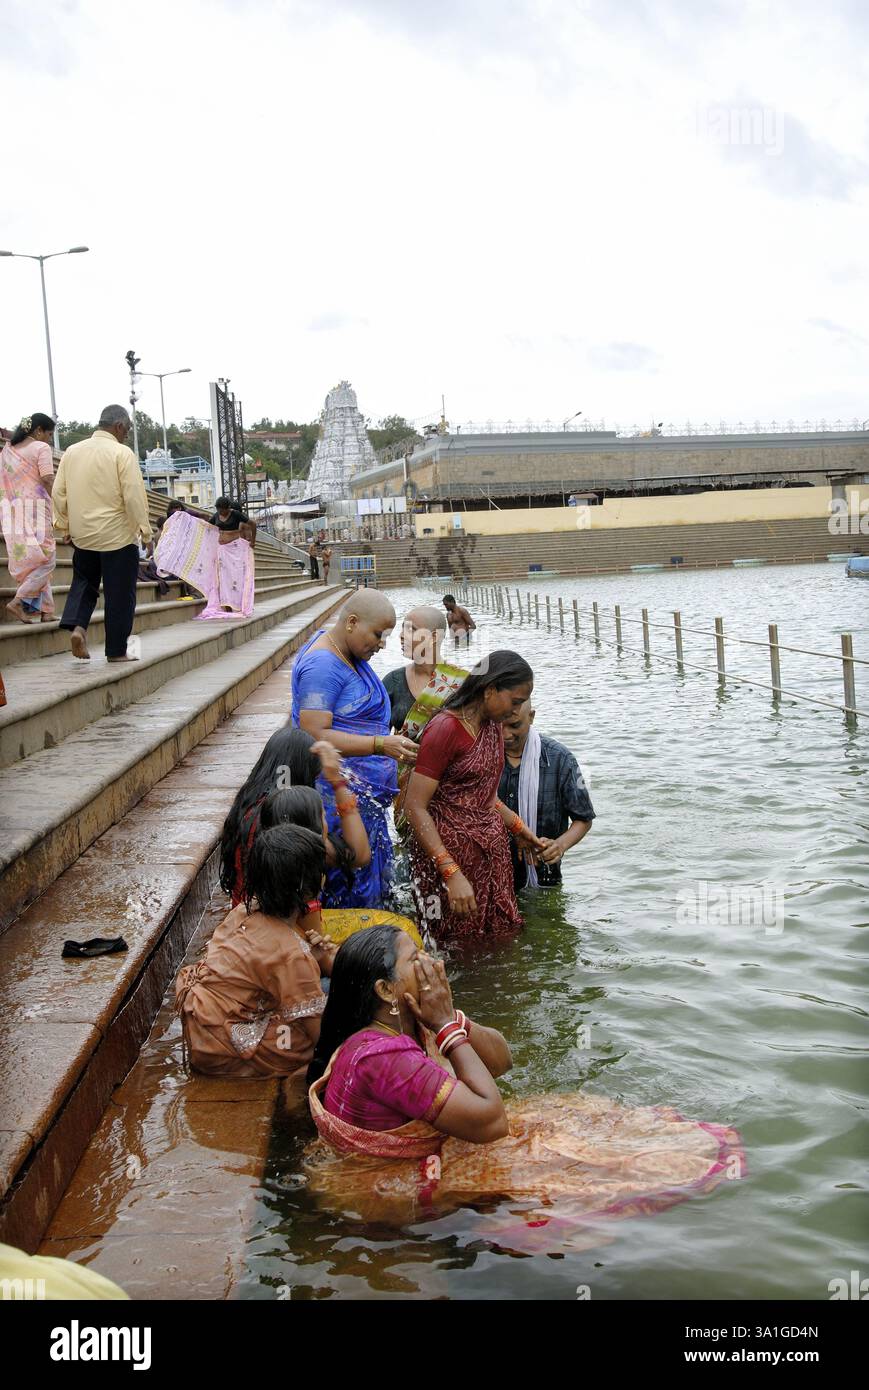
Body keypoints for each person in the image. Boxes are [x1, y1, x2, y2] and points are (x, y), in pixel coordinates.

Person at [304, 925, 745, 1244]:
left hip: (410, 1154)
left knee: (572, 1120)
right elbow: (491, 1121)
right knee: (573, 1176)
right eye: (414, 959)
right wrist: (445, 1027)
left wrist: (451, 1021)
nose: (431, 963)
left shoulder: (404, 1024)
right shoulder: (383, 1055)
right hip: (382, 1187)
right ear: (386, 990)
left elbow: (501, 1062)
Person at [291, 590, 418, 908]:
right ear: (351, 622)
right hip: (336, 801)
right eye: (378, 634)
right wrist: (380, 744)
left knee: (371, 885)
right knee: (348, 885)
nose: (382, 644)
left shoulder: (345, 653)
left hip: (361, 802)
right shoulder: (323, 666)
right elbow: (313, 734)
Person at [405, 650, 543, 940]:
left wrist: (519, 828)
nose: (517, 710)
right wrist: (450, 871)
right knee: (454, 941)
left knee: (500, 936)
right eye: (515, 701)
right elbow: (415, 807)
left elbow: (484, 796)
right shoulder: (445, 729)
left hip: (490, 855)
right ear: (490, 690)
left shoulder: (492, 726)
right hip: (450, 856)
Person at [176, 824, 331, 1077]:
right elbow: (319, 1037)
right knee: (317, 1039)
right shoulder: (292, 954)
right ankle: (294, 1081)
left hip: (201, 1026)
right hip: (222, 1047)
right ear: (309, 885)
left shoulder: (243, 912)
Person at [219, 728, 369, 908]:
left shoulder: (248, 805)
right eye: (314, 776)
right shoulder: (290, 817)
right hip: (276, 921)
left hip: (245, 915)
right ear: (303, 774)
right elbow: (359, 856)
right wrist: (337, 780)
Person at [52, 405, 152, 662]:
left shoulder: (72, 452)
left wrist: (64, 525)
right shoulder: (122, 453)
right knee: (120, 594)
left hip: (83, 535)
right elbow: (133, 496)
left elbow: (59, 492)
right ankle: (116, 651)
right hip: (117, 537)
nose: (126, 435)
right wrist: (145, 531)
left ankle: (78, 629)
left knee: (84, 584)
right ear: (118, 426)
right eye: (127, 430)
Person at [499, 700, 595, 890]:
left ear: (531, 717)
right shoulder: (481, 758)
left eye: (514, 725)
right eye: (498, 725)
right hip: (491, 878)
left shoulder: (560, 759)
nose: (505, 734)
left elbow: (583, 819)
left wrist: (559, 845)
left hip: (544, 878)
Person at [1, 412, 57, 625]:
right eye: (49, 434)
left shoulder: (9, 450)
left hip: (14, 511)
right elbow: (47, 478)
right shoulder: (41, 448)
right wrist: (60, 503)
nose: (49, 440)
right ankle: (19, 601)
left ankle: (46, 610)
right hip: (37, 511)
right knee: (47, 559)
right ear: (39, 431)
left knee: (36, 561)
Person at [154, 502, 254, 619]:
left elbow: (249, 528)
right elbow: (208, 525)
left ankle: (238, 605)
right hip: (222, 551)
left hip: (236, 552)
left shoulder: (238, 518)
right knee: (223, 580)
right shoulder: (216, 517)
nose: (221, 513)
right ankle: (227, 606)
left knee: (233, 579)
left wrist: (251, 542)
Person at [381, 605, 450, 734]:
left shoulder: (459, 683)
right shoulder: (393, 681)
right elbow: (377, 732)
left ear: (433, 637)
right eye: (402, 629)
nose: (401, 636)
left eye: (410, 630)